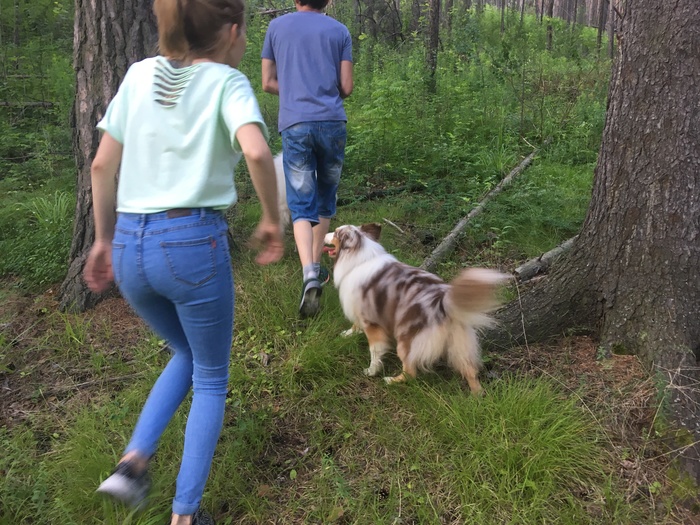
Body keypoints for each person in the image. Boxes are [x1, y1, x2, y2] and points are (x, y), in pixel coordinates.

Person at [83, 0, 284, 523]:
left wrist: (103, 240)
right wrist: (271, 218)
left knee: (187, 353)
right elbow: (259, 154)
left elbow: (103, 163)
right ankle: (186, 514)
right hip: (192, 244)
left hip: (129, 244)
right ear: (233, 31)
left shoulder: (138, 74)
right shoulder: (227, 82)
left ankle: (132, 464)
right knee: (213, 376)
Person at [261, 0, 353, 318]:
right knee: (325, 198)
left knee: (301, 202)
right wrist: (323, 92)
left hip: (295, 124)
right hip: (332, 123)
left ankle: (310, 274)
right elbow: (347, 87)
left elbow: (267, 82)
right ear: (327, 1)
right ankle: (317, 266)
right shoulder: (339, 30)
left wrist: (296, 91)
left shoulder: (276, 28)